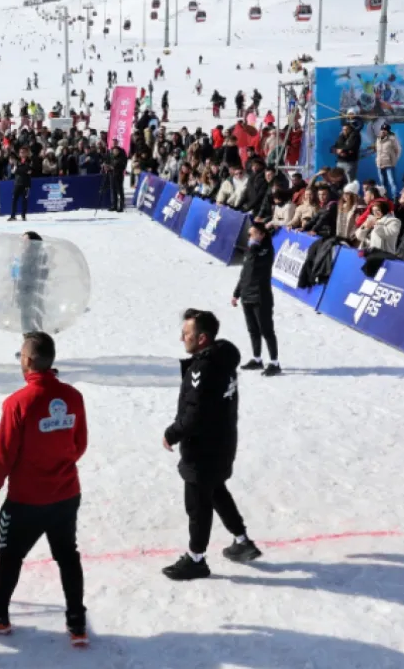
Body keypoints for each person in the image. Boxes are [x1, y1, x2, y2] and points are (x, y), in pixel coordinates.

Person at [0, 332, 88, 646]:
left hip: (26, 500)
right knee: (67, 556)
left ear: (28, 360)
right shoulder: (74, 397)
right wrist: (58, 465)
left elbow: (4, 455)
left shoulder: (17, 403)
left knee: (10, 557)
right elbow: (79, 444)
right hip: (66, 495)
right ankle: (77, 621)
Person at [161, 309, 261, 581]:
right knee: (216, 490)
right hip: (222, 443)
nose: (182, 338)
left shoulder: (204, 369)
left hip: (203, 449)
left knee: (197, 504)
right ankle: (242, 541)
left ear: (202, 338)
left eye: (187, 334)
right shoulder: (221, 359)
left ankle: (196, 560)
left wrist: (172, 433)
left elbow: (195, 412)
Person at [232, 224, 280, 375]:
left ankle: (274, 363)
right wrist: (236, 293)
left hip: (261, 296)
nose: (249, 237)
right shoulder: (250, 250)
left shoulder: (266, 251)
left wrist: (253, 247)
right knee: (253, 330)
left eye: (252, 234)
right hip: (246, 295)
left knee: (266, 330)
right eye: (248, 234)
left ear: (261, 235)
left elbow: (255, 261)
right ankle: (257, 359)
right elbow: (244, 273)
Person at [15, 232, 49, 335]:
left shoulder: (39, 257)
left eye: (25, 240)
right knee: (26, 325)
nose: (22, 243)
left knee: (33, 325)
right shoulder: (24, 255)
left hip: (32, 296)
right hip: (24, 295)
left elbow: (40, 276)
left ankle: (34, 342)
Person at [374, 124, 401, 198]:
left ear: (388, 131)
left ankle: (395, 198)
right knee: (383, 183)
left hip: (389, 164)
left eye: (385, 130)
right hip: (380, 164)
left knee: (392, 182)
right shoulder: (378, 139)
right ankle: (385, 198)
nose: (383, 131)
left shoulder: (392, 139)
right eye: (382, 129)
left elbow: (398, 150)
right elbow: (378, 151)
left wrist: (394, 160)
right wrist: (377, 160)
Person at [9, 150, 32, 221]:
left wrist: (18, 170)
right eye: (20, 152)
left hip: (26, 184)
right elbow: (13, 171)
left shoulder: (29, 161)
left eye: (23, 152)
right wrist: (22, 170)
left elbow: (29, 171)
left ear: (26, 153)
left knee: (24, 200)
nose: (22, 153)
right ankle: (13, 216)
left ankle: (23, 216)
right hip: (17, 183)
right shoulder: (17, 161)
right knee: (14, 200)